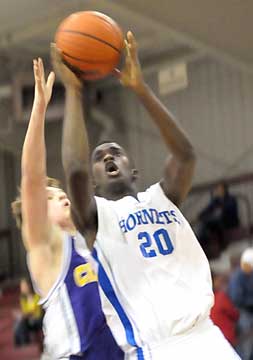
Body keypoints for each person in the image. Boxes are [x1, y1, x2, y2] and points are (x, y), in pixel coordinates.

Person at [52, 31, 241, 359]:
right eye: (99, 157)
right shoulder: (95, 217)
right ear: (93, 183)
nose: (109, 157)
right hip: (156, 349)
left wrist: (140, 88)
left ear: (134, 169)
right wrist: (73, 89)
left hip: (208, 337)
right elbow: (74, 169)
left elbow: (186, 155)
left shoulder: (163, 196)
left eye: (116, 152)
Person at [11, 57, 123, 359]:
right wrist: (39, 109)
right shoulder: (47, 249)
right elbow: (32, 177)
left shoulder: (94, 243)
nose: (62, 198)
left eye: (62, 195)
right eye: (51, 198)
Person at [197, 182, 240, 257]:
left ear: (225, 190)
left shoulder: (231, 199)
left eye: (220, 189)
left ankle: (220, 244)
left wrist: (219, 207)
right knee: (206, 224)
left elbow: (228, 209)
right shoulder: (216, 200)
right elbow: (208, 209)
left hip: (230, 222)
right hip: (219, 223)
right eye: (218, 190)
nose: (218, 191)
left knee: (214, 221)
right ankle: (203, 245)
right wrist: (201, 215)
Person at [228, 248, 253, 360]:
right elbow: (236, 298)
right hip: (241, 311)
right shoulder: (237, 276)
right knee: (246, 343)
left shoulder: (249, 274)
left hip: (249, 309)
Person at [210, 271, 239, 347]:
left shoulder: (204, 299)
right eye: (219, 281)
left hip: (213, 339)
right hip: (226, 337)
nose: (220, 284)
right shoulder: (220, 297)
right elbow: (234, 314)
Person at [14, 277, 43, 347]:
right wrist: (22, 315)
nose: (23, 288)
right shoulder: (23, 299)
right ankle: (22, 343)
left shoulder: (37, 296)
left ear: (29, 286)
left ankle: (23, 343)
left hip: (38, 320)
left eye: (24, 286)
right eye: (21, 286)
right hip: (28, 320)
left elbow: (37, 312)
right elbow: (25, 311)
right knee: (18, 323)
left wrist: (25, 315)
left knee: (21, 322)